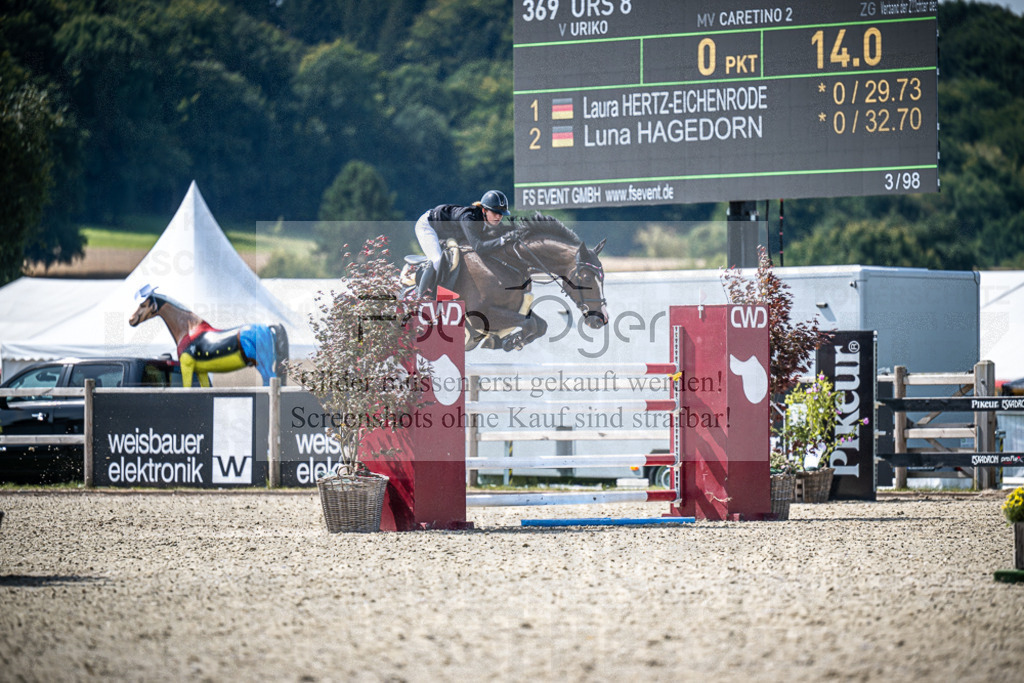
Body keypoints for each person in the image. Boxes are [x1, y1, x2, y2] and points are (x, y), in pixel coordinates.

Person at [414, 190, 514, 298]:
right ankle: (420, 298)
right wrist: (503, 240)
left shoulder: (489, 220)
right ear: (484, 210)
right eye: (495, 213)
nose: (498, 217)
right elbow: (479, 247)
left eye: (501, 214)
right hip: (427, 226)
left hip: (447, 230)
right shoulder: (469, 219)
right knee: (437, 260)